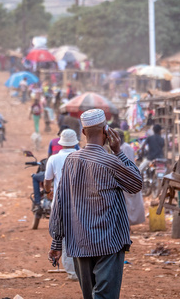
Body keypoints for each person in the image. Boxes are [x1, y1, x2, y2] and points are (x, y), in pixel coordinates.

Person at [48, 109, 142, 299]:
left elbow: (60, 202)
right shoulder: (110, 161)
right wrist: (119, 153)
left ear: (83, 132)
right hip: (109, 242)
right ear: (107, 132)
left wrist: (57, 241)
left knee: (90, 295)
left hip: (79, 241)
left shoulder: (71, 161)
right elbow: (136, 184)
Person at [43, 129, 79, 281]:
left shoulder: (53, 159)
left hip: (60, 204)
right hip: (79, 203)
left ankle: (71, 272)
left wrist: (48, 191)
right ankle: (82, 270)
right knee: (79, 235)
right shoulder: (80, 156)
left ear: (61, 142)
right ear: (75, 142)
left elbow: (47, 181)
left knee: (63, 238)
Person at [115, 128, 145, 227]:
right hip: (123, 178)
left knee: (128, 203)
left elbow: (127, 165)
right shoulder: (120, 148)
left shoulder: (125, 148)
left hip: (127, 178)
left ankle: (127, 224)